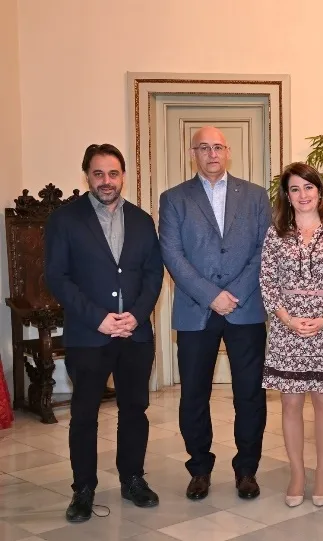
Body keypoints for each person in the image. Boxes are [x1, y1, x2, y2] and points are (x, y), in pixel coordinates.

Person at [45, 144, 164, 522]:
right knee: (84, 415)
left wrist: (137, 315)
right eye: (98, 174)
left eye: (113, 173)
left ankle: (132, 478)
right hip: (88, 334)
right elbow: (57, 278)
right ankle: (83, 490)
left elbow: (153, 275)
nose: (106, 181)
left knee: (134, 409)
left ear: (123, 175)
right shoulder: (65, 220)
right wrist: (97, 318)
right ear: (87, 176)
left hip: (135, 334)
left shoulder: (143, 220)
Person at [158, 126, 271, 501]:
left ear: (228, 151)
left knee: (249, 396)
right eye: (203, 147)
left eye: (217, 147)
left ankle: (247, 470)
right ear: (193, 153)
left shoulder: (256, 197)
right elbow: (172, 255)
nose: (211, 154)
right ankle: (200, 469)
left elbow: (264, 250)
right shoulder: (174, 199)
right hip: (195, 311)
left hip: (246, 308)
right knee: (193, 394)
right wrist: (211, 296)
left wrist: (233, 293)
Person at [260, 162, 323, 507]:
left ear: (320, 191)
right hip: (287, 331)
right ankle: (297, 473)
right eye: (295, 189)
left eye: (308, 187)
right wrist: (286, 318)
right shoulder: (275, 233)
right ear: (287, 194)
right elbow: (267, 281)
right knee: (290, 402)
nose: (302, 195)